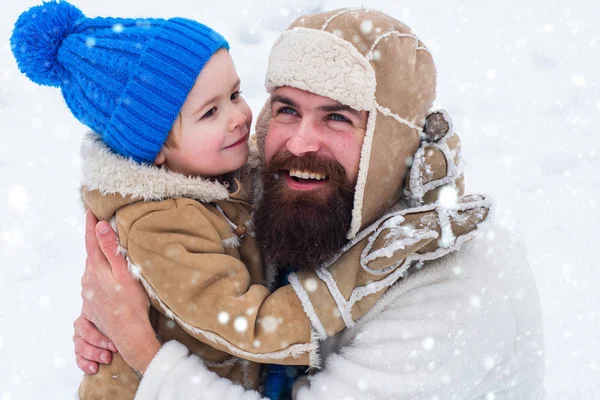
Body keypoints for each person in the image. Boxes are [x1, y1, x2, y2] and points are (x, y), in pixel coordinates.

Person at [12, 3, 492, 400]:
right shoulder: (167, 218)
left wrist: (139, 342)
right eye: (285, 108)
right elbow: (252, 326)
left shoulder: (451, 295)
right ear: (155, 151)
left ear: (392, 137)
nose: (242, 119)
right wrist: (363, 269)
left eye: (338, 118)